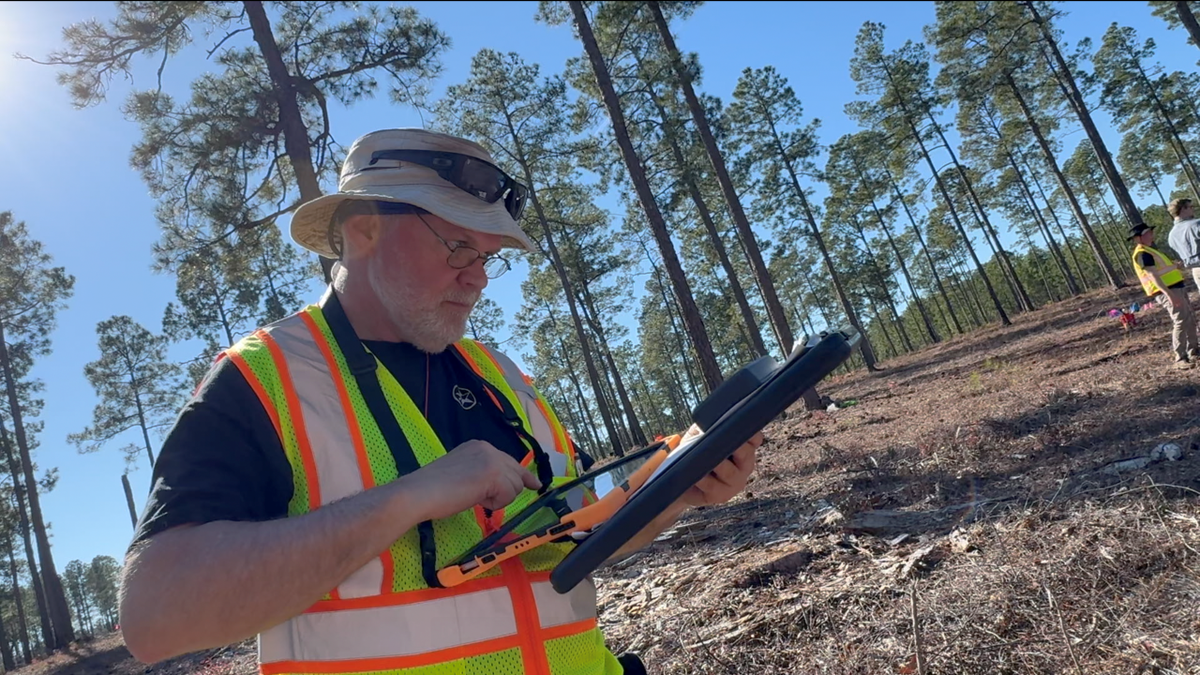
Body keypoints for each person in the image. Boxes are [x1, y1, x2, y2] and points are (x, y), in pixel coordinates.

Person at [117, 128, 764, 675]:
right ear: (364, 228)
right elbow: (153, 616)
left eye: (488, 255)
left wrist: (682, 486)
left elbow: (583, 533)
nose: (478, 276)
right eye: (458, 246)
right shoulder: (263, 380)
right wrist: (410, 497)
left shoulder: (498, 375)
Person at [1130, 222, 1199, 368]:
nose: (1151, 234)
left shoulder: (1151, 250)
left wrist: (1174, 267)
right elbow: (1153, 276)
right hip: (1168, 291)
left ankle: (1194, 351)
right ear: (1139, 237)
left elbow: (1162, 270)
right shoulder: (1143, 253)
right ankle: (1180, 358)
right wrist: (1168, 295)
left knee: (1189, 318)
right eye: (1148, 232)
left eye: (1150, 231)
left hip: (1177, 287)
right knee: (1180, 320)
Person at [1167, 197, 1200, 289]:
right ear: (1182, 209)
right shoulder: (1197, 224)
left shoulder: (1171, 235)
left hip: (1196, 271)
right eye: (1190, 207)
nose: (1193, 209)